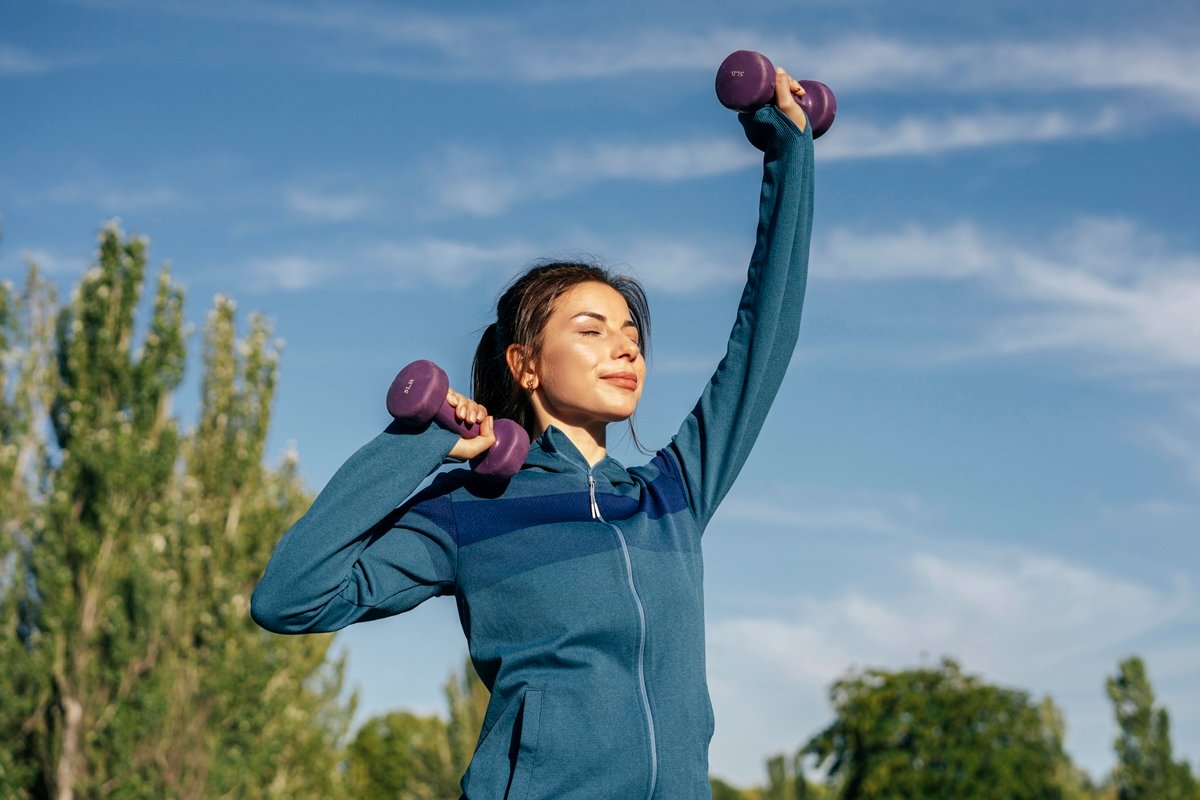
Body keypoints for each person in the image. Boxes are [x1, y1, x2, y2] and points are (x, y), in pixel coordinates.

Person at [252, 68, 815, 800]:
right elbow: (290, 598)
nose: (625, 348)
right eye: (592, 330)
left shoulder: (671, 496)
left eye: (632, 334)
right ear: (525, 364)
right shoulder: (471, 509)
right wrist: (416, 443)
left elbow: (762, 343)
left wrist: (790, 156)